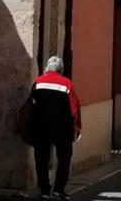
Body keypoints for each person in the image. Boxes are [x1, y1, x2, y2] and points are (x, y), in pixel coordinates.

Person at [30, 56, 81, 200]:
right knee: (64, 158)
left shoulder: (38, 82)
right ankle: (59, 189)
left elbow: (31, 104)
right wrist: (76, 127)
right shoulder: (67, 84)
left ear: (47, 68)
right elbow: (75, 107)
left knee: (41, 158)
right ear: (61, 70)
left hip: (41, 127)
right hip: (62, 128)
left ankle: (44, 190)